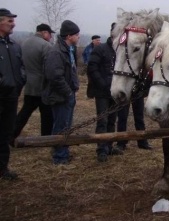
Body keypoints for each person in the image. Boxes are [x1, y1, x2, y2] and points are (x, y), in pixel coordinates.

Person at [42, 20, 80, 165]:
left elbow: (71, 71)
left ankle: (62, 151)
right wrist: (68, 93)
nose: (78, 37)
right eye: (76, 35)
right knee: (61, 125)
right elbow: (54, 76)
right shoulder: (56, 52)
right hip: (60, 96)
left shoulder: (70, 50)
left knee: (66, 125)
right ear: (69, 36)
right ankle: (59, 157)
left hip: (68, 94)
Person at [87, 23, 122, 162]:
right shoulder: (100, 49)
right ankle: (101, 150)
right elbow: (92, 68)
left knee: (112, 120)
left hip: (114, 92)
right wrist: (102, 84)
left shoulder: (120, 50)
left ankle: (109, 146)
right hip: (102, 92)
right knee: (103, 120)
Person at [13, 24, 54, 140]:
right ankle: (46, 137)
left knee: (25, 112)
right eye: (50, 34)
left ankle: (11, 134)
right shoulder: (46, 46)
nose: (50, 37)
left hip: (29, 84)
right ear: (45, 33)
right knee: (47, 114)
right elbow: (49, 68)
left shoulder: (24, 43)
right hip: (43, 85)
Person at [0, 8, 25, 180]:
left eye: (13, 20)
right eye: (9, 21)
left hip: (11, 96)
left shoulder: (14, 45)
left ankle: (3, 169)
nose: (13, 23)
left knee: (6, 133)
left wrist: (19, 82)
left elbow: (21, 68)